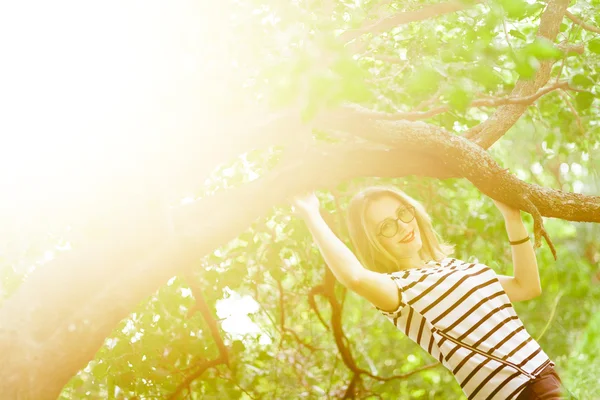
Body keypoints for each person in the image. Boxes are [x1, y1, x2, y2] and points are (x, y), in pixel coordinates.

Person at [293, 185, 573, 400]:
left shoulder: (454, 266)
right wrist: (311, 213)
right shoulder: (400, 289)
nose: (402, 226)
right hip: (517, 391)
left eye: (402, 213)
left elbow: (527, 286)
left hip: (544, 377)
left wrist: (512, 217)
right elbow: (353, 276)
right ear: (375, 243)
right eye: (386, 226)